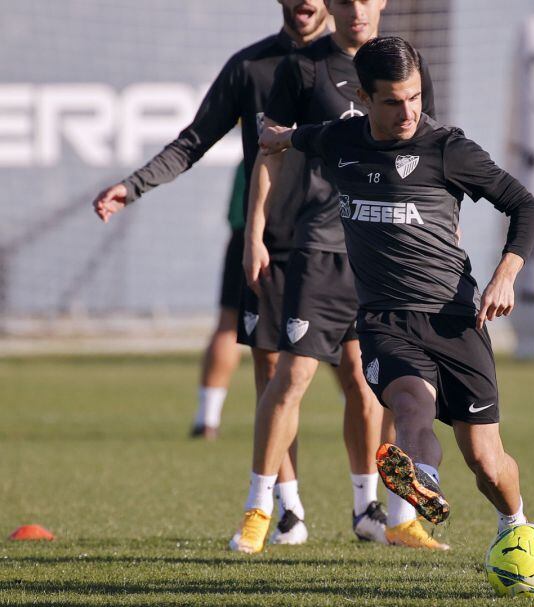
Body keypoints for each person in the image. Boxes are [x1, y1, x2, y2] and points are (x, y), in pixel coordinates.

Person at [257, 35, 534, 550]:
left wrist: (506, 273)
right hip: (385, 321)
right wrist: (277, 137)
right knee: (409, 405)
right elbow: (301, 137)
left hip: (455, 318)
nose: (407, 111)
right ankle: (423, 480)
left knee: (485, 459)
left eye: (414, 97)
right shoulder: (342, 139)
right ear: (364, 99)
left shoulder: (447, 148)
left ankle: (515, 525)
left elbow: (527, 206)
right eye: (392, 101)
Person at [91, 0, 329, 529]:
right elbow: (194, 140)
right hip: (271, 242)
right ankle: (288, 506)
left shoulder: (360, 63)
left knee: (362, 375)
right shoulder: (251, 67)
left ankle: (379, 508)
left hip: (346, 243)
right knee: (272, 374)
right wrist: (134, 185)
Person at [230, 1, 440, 553]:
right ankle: (259, 507)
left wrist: (443, 238)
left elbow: (427, 155)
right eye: (345, 1)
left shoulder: (406, 65)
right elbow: (269, 152)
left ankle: (385, 516)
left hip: (386, 251)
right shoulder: (302, 68)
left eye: (367, 1)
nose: (357, 12)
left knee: (378, 384)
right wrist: (254, 234)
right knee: (292, 375)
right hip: (322, 245)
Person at [189, 163, 247, 440]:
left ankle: (206, 419)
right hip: (309, 240)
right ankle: (365, 417)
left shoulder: (258, 136)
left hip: (247, 236)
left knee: (229, 323)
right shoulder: (319, 133)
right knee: (339, 334)